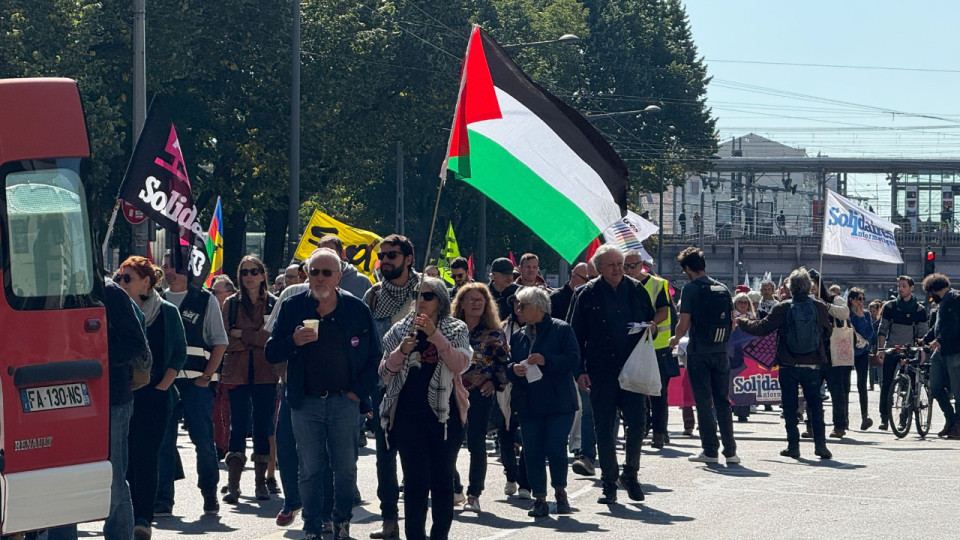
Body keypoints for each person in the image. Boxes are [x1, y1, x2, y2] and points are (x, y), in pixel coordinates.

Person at [266, 248, 381, 540]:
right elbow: (271, 351)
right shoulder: (293, 306)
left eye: (326, 273)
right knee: (311, 469)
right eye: (313, 272)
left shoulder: (356, 309)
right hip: (305, 402)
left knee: (345, 468)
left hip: (344, 401)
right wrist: (293, 340)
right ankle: (312, 525)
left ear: (338, 277)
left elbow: (375, 357)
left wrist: (357, 393)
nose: (319, 278)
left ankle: (341, 521)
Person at [379, 277, 470, 540]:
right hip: (408, 416)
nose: (421, 300)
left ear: (440, 301)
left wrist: (435, 336)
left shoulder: (456, 328)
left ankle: (439, 535)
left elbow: (460, 364)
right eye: (417, 295)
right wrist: (401, 351)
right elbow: (384, 373)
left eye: (428, 296)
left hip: (445, 417)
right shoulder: (400, 330)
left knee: (442, 480)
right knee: (415, 482)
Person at [570, 245, 656, 504]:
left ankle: (630, 473)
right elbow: (575, 336)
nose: (618, 269)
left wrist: (650, 327)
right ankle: (609, 483)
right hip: (601, 370)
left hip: (633, 367)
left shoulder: (637, 290)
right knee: (604, 427)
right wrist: (579, 371)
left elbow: (652, 320)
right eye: (612, 265)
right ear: (599, 268)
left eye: (621, 264)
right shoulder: (586, 294)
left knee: (638, 423)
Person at [116, 256, 186, 540]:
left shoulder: (167, 312)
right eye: (119, 278)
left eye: (128, 278)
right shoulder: (118, 310)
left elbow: (178, 352)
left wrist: (162, 386)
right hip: (124, 396)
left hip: (156, 397)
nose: (121, 283)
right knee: (124, 460)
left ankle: (143, 518)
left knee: (146, 457)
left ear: (146, 281)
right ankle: (125, 516)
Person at [156, 250, 228, 517]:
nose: (167, 271)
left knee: (203, 441)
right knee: (163, 442)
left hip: (196, 385)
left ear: (188, 270)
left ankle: (209, 493)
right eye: (165, 266)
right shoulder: (157, 299)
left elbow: (220, 342)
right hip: (166, 384)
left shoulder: (205, 299)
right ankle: (163, 499)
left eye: (172, 266)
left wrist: (206, 377)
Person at [738, 268, 834, 460]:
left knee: (789, 406)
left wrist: (742, 322)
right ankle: (821, 446)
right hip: (812, 364)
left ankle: (793, 446)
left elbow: (762, 328)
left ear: (790, 288)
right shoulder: (819, 306)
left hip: (788, 363)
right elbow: (828, 331)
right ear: (809, 286)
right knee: (815, 405)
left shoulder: (782, 308)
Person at [363, 234, 420, 540]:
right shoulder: (373, 295)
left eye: (392, 255)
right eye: (382, 255)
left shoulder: (428, 291)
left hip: (420, 386)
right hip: (382, 385)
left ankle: (415, 521)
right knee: (384, 456)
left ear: (408, 259)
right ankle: (389, 520)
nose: (384, 260)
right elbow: (364, 341)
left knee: (416, 457)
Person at [506, 287, 579, 517]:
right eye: (517, 306)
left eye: (522, 306)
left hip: (559, 402)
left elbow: (573, 360)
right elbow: (508, 364)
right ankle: (539, 499)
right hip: (529, 403)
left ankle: (560, 492)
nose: (518, 310)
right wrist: (513, 369)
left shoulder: (562, 329)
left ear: (538, 307)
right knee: (532, 451)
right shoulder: (518, 335)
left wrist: (546, 360)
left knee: (556, 448)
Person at [669, 247, 739, 464]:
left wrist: (674, 339)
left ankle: (710, 451)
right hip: (721, 351)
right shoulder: (723, 288)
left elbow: (684, 324)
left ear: (687, 268)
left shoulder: (690, 289)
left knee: (703, 402)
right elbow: (733, 323)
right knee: (723, 401)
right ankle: (731, 452)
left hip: (699, 351)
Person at [221, 256, 279, 504]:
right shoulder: (231, 304)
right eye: (244, 272)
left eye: (254, 271)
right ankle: (233, 485)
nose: (249, 276)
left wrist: (243, 335)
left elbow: (272, 339)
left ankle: (260, 483)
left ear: (263, 274)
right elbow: (225, 339)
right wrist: (255, 338)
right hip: (237, 372)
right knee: (237, 426)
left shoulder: (274, 303)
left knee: (262, 427)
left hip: (266, 373)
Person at [451, 283, 510, 513]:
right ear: (461, 303)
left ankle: (474, 495)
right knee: (448, 444)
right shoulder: (451, 330)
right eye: (471, 299)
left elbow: (504, 364)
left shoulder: (494, 333)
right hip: (451, 392)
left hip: (479, 394)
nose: (476, 303)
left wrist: (493, 382)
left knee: (476, 444)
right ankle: (454, 487)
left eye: (480, 300)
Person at [876, 275, 928, 430]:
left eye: (904, 286)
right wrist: (881, 349)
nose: (900, 289)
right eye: (899, 286)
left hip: (910, 351)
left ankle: (904, 418)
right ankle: (884, 417)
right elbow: (882, 330)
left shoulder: (919, 309)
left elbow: (922, 333)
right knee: (886, 384)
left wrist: (921, 350)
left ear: (912, 288)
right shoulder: (890, 307)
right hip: (892, 349)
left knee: (909, 385)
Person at [634, 260, 675, 448]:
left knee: (658, 392)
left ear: (640, 265)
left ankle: (659, 432)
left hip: (658, 346)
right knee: (635, 389)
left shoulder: (658, 284)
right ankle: (639, 429)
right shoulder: (621, 284)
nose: (628, 270)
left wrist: (650, 324)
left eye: (632, 265)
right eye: (626, 266)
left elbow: (664, 313)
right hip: (632, 345)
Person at [920, 273, 960, 438]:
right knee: (935, 387)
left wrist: (939, 340)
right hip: (941, 350)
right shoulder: (943, 303)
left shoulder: (956, 299)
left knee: (958, 391)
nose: (931, 296)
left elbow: (954, 325)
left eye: (931, 292)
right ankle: (951, 419)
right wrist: (925, 339)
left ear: (935, 289)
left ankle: (957, 425)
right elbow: (938, 325)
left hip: (954, 350)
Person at [210, 275, 237, 461]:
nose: (214, 296)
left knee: (227, 410)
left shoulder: (234, 310)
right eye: (213, 292)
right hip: (214, 367)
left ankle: (226, 445)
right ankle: (218, 444)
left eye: (217, 292)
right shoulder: (211, 311)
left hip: (233, 368)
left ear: (230, 293)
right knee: (215, 408)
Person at [848, 288, 875, 430]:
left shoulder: (865, 314)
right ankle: (844, 418)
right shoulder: (845, 314)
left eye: (863, 299)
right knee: (844, 385)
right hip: (847, 352)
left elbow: (868, 334)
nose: (861, 302)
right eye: (859, 299)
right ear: (851, 300)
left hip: (862, 352)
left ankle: (865, 416)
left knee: (862, 384)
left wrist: (860, 318)